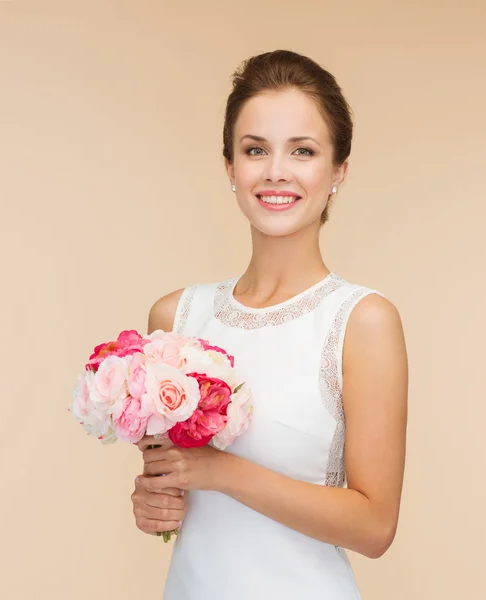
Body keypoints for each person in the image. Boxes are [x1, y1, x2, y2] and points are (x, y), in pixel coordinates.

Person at [130, 49, 408, 599]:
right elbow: (174, 488)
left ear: (338, 172)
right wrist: (153, 502)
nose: (275, 171)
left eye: (302, 151)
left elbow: (375, 528)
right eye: (256, 150)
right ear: (231, 167)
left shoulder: (361, 322)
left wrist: (220, 472)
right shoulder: (176, 317)